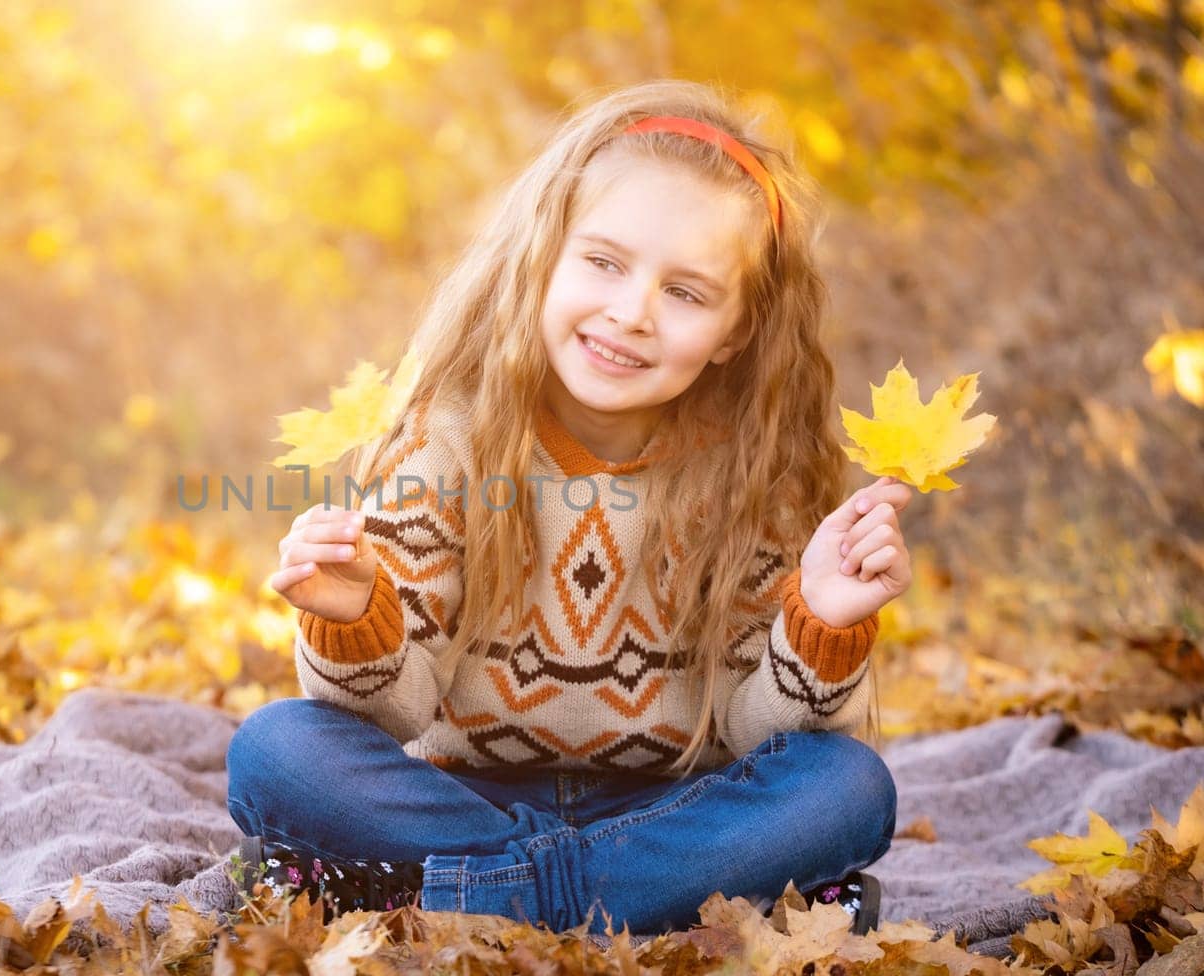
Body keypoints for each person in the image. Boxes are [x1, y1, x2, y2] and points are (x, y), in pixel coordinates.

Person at [226, 78, 912, 937]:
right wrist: (359, 618)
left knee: (847, 788)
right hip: (465, 796)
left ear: (736, 331)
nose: (631, 314)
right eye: (604, 262)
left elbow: (757, 729)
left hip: (674, 808)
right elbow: (395, 711)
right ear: (544, 255)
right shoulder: (447, 440)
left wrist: (819, 624)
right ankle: (613, 899)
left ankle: (453, 894)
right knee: (277, 751)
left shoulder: (755, 478)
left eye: (686, 293)